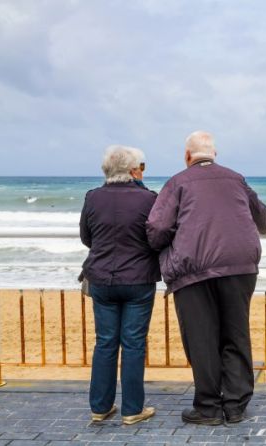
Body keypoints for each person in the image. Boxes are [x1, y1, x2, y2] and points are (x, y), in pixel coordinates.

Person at [146, 131, 266, 426]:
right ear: (214, 154)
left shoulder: (177, 182)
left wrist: (175, 239)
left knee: (201, 338)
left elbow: (156, 228)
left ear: (187, 156)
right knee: (235, 334)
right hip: (240, 266)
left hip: (194, 269)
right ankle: (236, 405)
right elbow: (263, 221)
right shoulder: (236, 179)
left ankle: (208, 407)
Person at [80, 145, 159, 425]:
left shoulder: (92, 198)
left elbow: (86, 238)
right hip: (138, 279)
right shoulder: (148, 199)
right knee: (134, 343)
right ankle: (132, 409)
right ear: (133, 170)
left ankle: (100, 407)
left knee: (105, 342)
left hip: (102, 278)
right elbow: (157, 237)